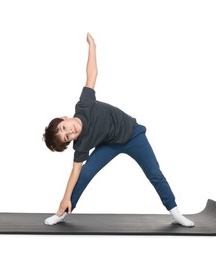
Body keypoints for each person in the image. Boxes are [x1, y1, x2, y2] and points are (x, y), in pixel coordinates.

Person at [42, 33, 194, 227]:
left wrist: (92, 47)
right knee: (85, 173)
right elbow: (75, 172)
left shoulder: (84, 104)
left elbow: (92, 74)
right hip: (109, 145)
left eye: (65, 127)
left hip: (132, 135)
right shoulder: (81, 144)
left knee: (154, 172)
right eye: (67, 137)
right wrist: (65, 198)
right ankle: (63, 212)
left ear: (65, 118)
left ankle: (176, 212)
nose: (70, 132)